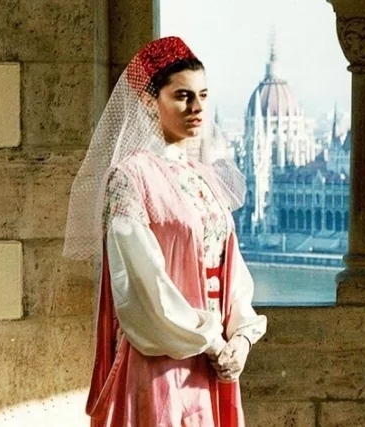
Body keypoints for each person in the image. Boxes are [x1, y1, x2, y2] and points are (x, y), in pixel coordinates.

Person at [63, 36, 266, 427]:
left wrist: (241, 337)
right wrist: (212, 341)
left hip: (215, 361)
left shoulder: (204, 176)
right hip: (161, 361)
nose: (197, 108)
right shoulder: (130, 178)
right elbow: (143, 284)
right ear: (148, 101)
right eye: (183, 96)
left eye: (203, 96)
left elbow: (231, 268)